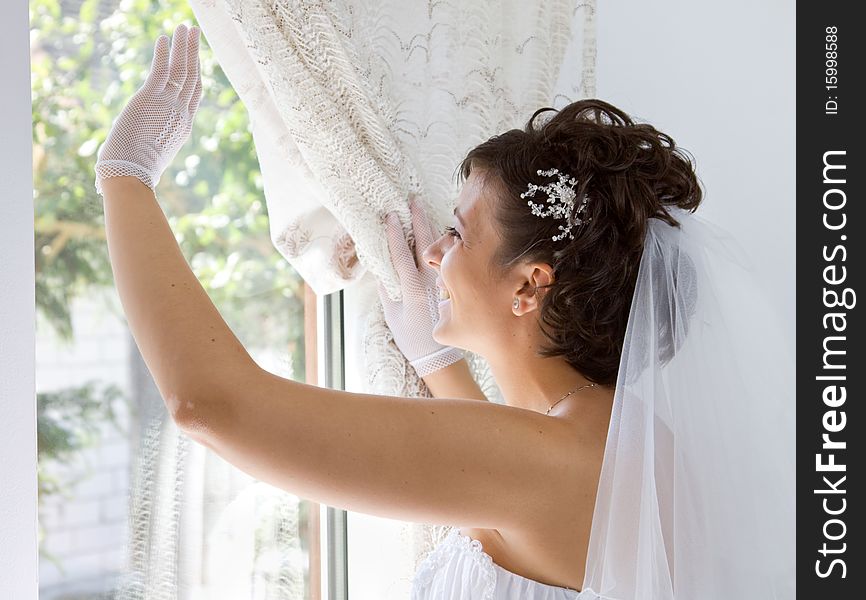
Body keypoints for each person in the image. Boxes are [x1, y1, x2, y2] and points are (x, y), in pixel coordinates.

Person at [95, 24, 794, 600]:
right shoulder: (625, 436)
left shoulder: (551, 461)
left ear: (529, 286)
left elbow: (211, 406)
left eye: (458, 234)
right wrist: (438, 364)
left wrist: (126, 178)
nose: (435, 257)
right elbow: (513, 488)